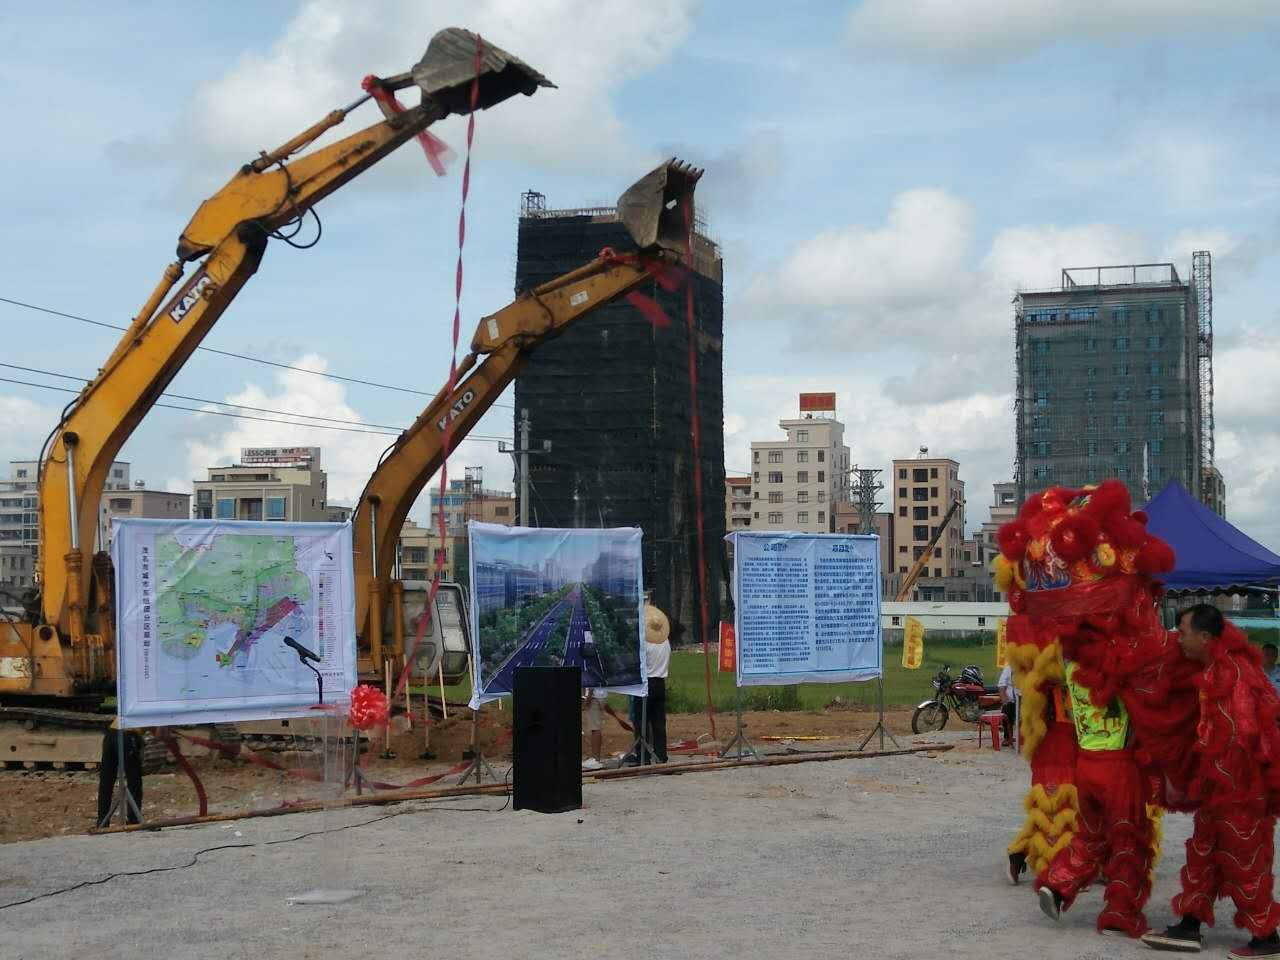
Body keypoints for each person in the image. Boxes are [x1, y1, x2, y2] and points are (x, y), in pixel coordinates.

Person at [1143, 604, 1280, 958]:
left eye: (1184, 630)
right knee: (1203, 854)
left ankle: (1266, 936)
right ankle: (1189, 924)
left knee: (1245, 859)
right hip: (1217, 791)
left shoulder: (1233, 675)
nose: (1179, 637)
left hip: (1240, 792)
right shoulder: (1212, 669)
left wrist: (1220, 781)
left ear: (1205, 637)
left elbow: (1243, 735)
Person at [1036, 656, 1155, 937]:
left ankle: (1057, 886)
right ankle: (1119, 913)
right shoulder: (1120, 668)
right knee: (1128, 841)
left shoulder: (1073, 668)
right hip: (1117, 765)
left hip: (1086, 763)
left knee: (1089, 837)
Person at [96, 722, 144, 827]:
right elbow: (160, 732)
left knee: (106, 780)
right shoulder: (159, 709)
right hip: (128, 736)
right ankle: (133, 820)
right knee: (134, 781)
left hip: (110, 734)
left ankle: (102, 822)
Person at [581, 687, 607, 771]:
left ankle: (595, 760)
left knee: (594, 728)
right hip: (599, 695)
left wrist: (587, 700)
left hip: (594, 697)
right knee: (595, 727)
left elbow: (591, 682)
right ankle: (596, 759)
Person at [998, 661, 1019, 748]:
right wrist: (1005, 702)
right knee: (1006, 710)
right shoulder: (1008, 668)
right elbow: (1001, 686)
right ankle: (1007, 737)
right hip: (1011, 700)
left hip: (1025, 699)